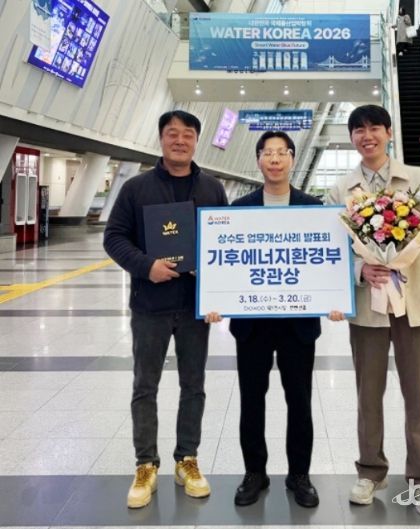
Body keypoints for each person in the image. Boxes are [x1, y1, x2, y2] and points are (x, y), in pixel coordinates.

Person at [327, 105, 420, 518]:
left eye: (374, 127)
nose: (367, 135)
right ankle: (370, 471)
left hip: (414, 305)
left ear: (389, 132)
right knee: (368, 395)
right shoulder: (341, 190)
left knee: (419, 395)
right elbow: (332, 248)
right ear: (352, 138)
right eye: (359, 130)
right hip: (368, 308)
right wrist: (359, 270)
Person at [103, 110, 228, 509]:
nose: (179, 140)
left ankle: (186, 459)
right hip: (150, 306)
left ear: (196, 141)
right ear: (160, 139)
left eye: (187, 134)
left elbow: (225, 243)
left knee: (194, 386)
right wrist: (146, 267)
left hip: (194, 308)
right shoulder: (136, 188)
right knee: (145, 386)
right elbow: (113, 237)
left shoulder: (212, 188)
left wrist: (217, 290)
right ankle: (146, 464)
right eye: (172, 133)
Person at [209, 130, 322, 508]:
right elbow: (226, 260)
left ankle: (299, 474)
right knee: (251, 401)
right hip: (252, 324)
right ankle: (254, 472)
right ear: (258, 160)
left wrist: (335, 298)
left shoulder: (313, 208)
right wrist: (215, 300)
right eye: (267, 153)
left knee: (300, 401)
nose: (275, 159)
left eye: (281, 152)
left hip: (298, 325)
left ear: (292, 159)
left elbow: (324, 262)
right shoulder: (239, 209)